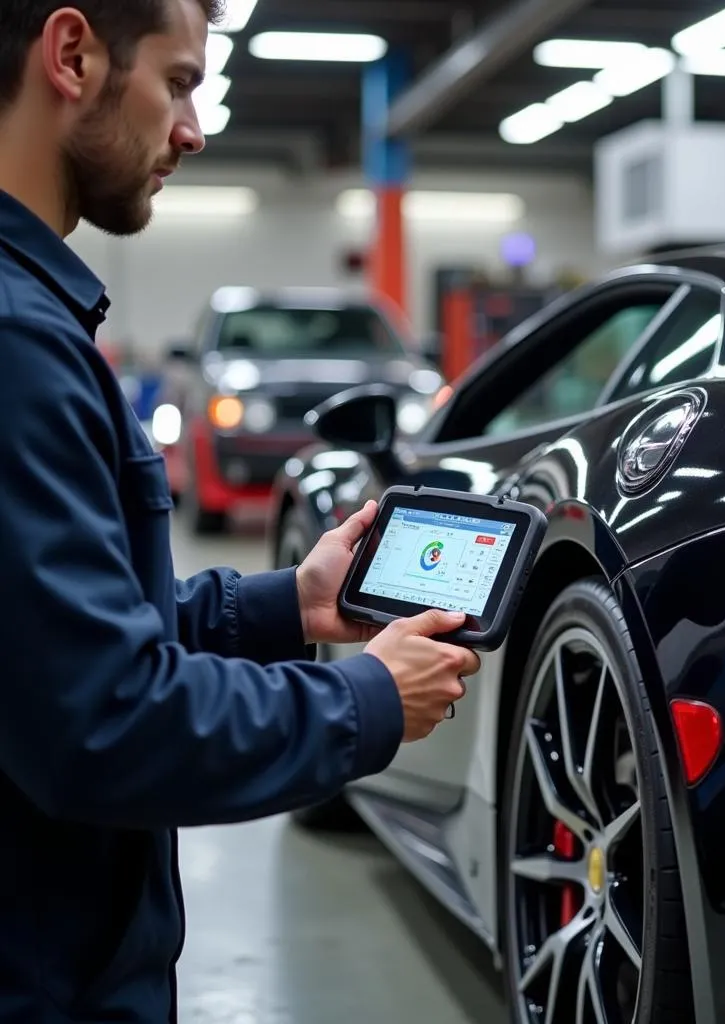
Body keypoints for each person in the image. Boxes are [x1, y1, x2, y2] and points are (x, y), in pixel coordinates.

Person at [0, 1, 481, 1021]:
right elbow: (102, 725)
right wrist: (367, 699)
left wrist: (285, 606)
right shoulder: (17, 345)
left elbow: (41, 648)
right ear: (73, 54)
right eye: (176, 82)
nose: (193, 127)